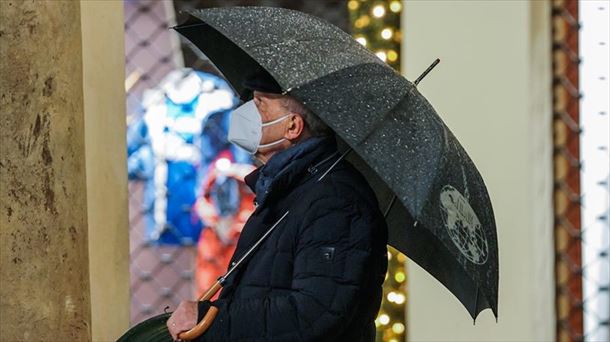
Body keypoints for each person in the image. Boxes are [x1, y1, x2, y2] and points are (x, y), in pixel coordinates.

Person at [167, 71, 388, 341]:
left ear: (292, 127)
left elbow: (313, 313)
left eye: (260, 104)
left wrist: (214, 320)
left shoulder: (335, 201)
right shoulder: (289, 189)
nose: (246, 112)